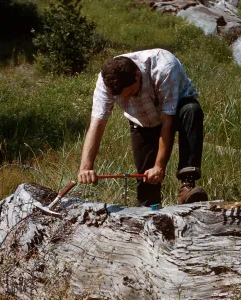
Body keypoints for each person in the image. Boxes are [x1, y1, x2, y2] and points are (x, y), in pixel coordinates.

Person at [78, 48, 208, 207]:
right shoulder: (106, 81)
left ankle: (187, 187)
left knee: (191, 111)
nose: (126, 99)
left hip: (175, 112)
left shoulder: (164, 68)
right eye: (121, 97)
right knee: (147, 181)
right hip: (143, 122)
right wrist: (86, 168)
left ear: (137, 75)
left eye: (131, 92)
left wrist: (159, 166)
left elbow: (168, 121)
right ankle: (149, 215)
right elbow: (97, 124)